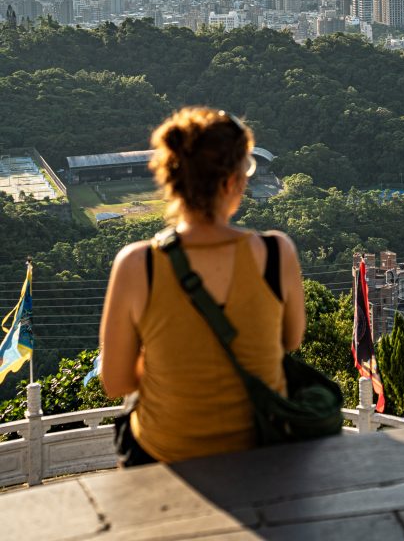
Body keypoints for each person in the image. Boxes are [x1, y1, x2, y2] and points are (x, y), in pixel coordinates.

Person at [99, 107, 305, 464]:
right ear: (231, 183)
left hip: (165, 455)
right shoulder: (276, 252)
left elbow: (115, 382)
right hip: (261, 451)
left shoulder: (136, 264)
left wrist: (169, 353)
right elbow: (289, 340)